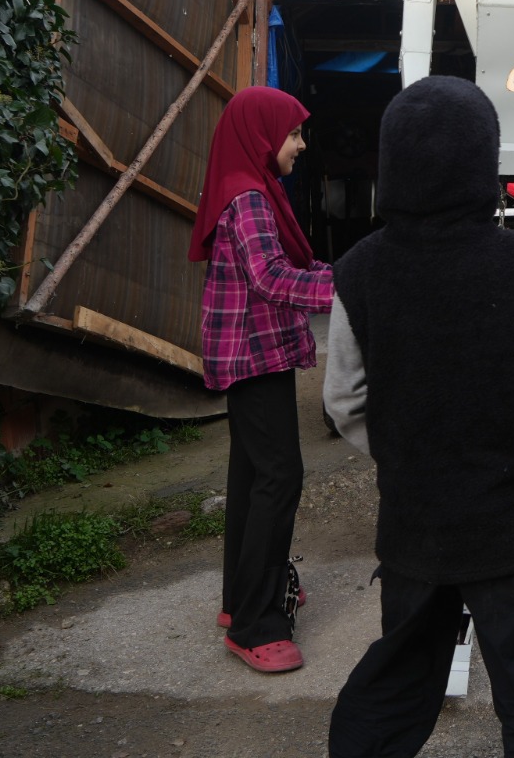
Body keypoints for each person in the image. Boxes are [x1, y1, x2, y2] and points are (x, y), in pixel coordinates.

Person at [325, 77, 514, 757]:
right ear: (485, 160)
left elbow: (343, 398)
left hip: (413, 520)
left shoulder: (358, 270)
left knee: (400, 679)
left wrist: (402, 456)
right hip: (508, 525)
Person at [189, 86, 334, 674]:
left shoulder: (251, 190)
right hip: (253, 357)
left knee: (252, 477)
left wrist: (342, 271)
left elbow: (290, 267)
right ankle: (255, 624)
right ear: (262, 134)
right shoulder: (248, 198)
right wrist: (346, 289)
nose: (300, 144)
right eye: (294, 133)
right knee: (280, 477)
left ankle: (238, 600)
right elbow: (273, 278)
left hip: (251, 354)